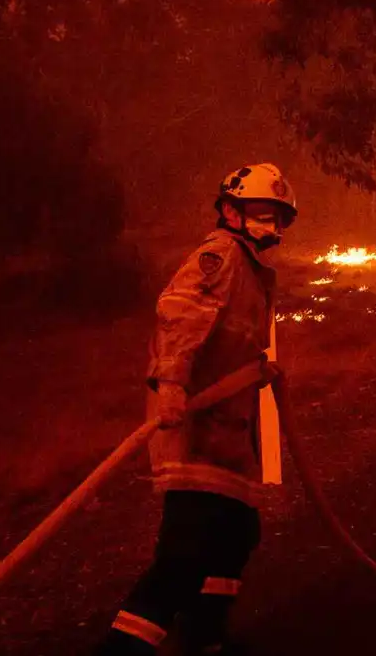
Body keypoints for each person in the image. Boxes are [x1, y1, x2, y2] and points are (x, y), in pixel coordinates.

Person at [97, 164, 297, 656]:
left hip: (228, 433)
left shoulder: (251, 269)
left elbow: (229, 341)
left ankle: (204, 636)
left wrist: (258, 368)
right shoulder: (220, 256)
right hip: (194, 427)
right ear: (230, 211)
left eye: (276, 218)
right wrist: (170, 387)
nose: (269, 227)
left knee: (235, 536)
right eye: (260, 214)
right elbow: (179, 318)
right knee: (184, 556)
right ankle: (122, 651)